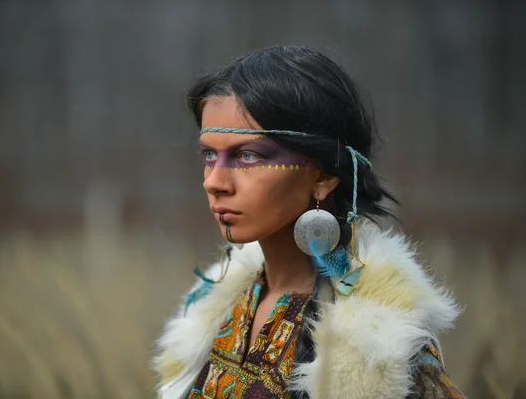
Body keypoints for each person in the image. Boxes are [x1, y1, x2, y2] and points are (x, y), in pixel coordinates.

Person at [153, 46, 466, 399]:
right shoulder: (217, 306)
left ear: (322, 175)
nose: (214, 181)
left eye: (247, 155)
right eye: (210, 154)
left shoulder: (379, 341)